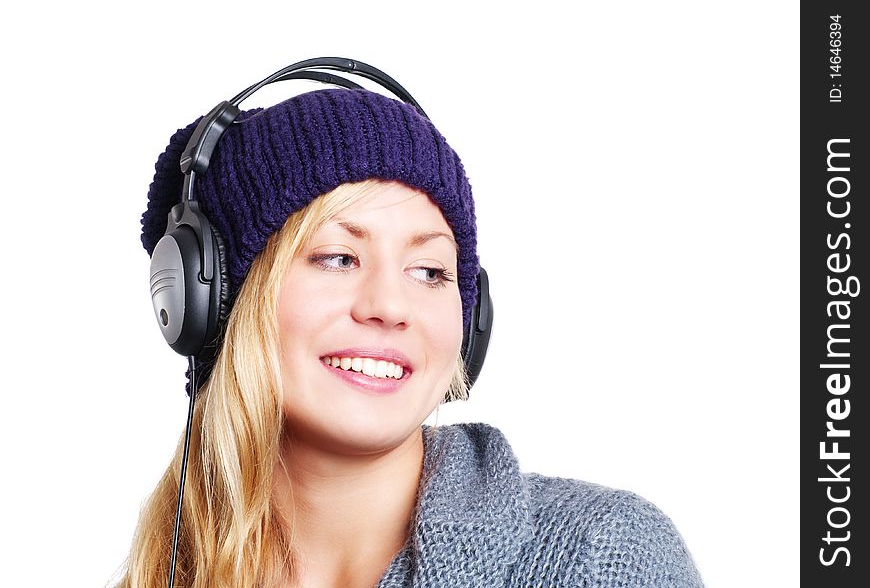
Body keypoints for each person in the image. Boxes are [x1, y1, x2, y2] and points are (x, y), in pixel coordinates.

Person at [120, 71, 704, 587]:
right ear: (213, 301)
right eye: (338, 258)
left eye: (429, 271)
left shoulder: (603, 559)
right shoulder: (168, 570)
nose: (389, 306)